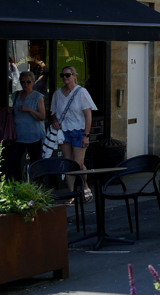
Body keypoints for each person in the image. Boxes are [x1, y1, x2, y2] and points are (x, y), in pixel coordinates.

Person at [51, 66, 98, 201]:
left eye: (68, 75)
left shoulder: (81, 92)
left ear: (74, 75)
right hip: (63, 131)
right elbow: (54, 112)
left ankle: (85, 186)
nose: (65, 77)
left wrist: (86, 135)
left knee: (78, 163)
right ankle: (71, 193)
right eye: (62, 75)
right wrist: (55, 121)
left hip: (79, 130)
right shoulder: (57, 93)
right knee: (68, 163)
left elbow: (88, 115)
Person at [6, 71, 45, 181]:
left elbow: (42, 116)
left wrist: (28, 110)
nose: (25, 84)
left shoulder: (38, 96)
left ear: (33, 82)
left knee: (36, 163)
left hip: (34, 136)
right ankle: (12, 189)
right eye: (22, 82)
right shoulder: (16, 95)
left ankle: (38, 190)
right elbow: (14, 112)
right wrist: (10, 111)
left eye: (28, 82)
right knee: (12, 163)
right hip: (18, 136)